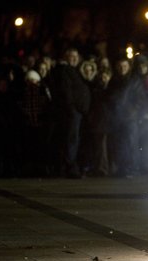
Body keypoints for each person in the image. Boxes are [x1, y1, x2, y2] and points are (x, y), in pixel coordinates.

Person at [48, 48, 91, 178]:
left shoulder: (74, 70)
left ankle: (69, 167)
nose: (74, 59)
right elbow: (66, 91)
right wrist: (72, 108)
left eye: (75, 56)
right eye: (71, 56)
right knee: (71, 140)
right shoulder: (65, 71)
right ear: (66, 57)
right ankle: (70, 168)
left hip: (77, 111)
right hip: (72, 112)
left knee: (73, 140)